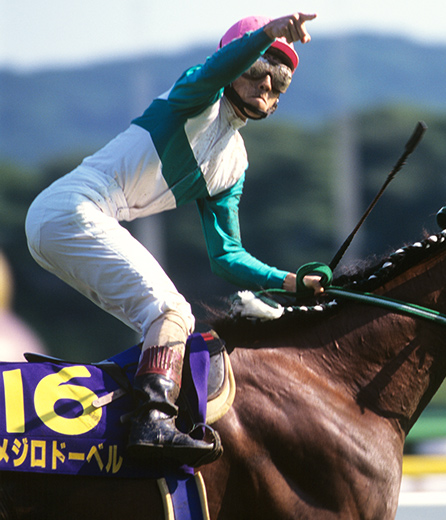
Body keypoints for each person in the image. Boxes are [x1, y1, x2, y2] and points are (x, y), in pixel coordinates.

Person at [25, 13, 321, 467]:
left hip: (76, 221)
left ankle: (116, 412)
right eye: (259, 72)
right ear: (233, 67)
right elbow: (216, 70)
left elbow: (227, 256)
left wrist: (290, 282)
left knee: (159, 318)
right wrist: (268, 33)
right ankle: (153, 422)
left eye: (278, 82)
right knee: (170, 309)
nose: (267, 87)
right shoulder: (194, 95)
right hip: (71, 208)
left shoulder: (234, 166)